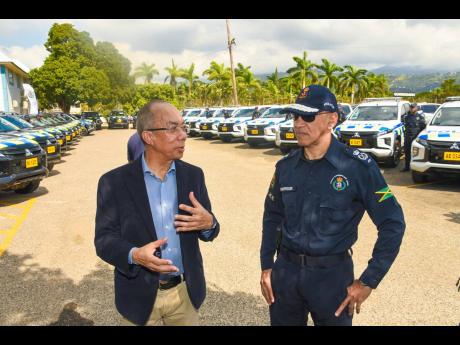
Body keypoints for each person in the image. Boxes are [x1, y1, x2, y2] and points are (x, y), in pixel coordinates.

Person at [260, 85, 405, 326]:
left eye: (307, 116)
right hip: (285, 273)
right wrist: (267, 266)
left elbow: (392, 223)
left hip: (332, 280)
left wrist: (369, 280)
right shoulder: (285, 168)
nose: (297, 124)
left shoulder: (358, 168)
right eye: (295, 116)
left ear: (331, 120)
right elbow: (272, 217)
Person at [95, 99, 220, 326]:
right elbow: (104, 241)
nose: (183, 135)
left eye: (184, 127)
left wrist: (210, 224)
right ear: (148, 137)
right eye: (173, 128)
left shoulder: (193, 175)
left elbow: (208, 229)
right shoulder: (113, 182)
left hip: (185, 294)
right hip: (138, 295)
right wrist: (134, 254)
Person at [401, 103, 426, 172]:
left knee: (416, 153)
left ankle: (415, 168)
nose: (412, 109)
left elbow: (423, 128)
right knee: (407, 152)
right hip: (408, 137)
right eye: (411, 107)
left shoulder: (420, 117)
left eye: (413, 107)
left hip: (415, 138)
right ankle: (407, 167)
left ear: (416, 108)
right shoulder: (406, 117)